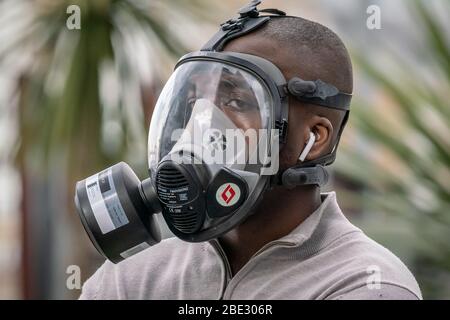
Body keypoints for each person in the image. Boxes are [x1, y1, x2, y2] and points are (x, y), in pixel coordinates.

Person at [79, 2, 421, 300]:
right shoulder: (132, 277)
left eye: (237, 100)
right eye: (193, 102)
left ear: (314, 138)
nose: (201, 125)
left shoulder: (366, 284)